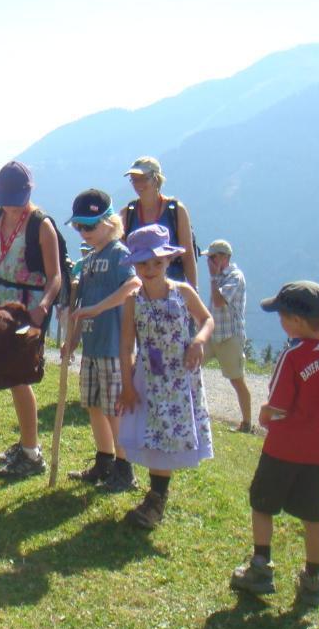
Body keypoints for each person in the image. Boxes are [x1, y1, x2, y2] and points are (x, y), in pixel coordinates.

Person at [230, 281, 319, 606]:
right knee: (314, 516)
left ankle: (260, 568)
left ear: (296, 321)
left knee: (262, 505)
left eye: (282, 316)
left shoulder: (294, 354)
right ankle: (313, 579)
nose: (281, 323)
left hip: (284, 450)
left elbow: (278, 406)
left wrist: (263, 415)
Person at [116, 224, 214, 529]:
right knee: (152, 433)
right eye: (143, 263)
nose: (150, 269)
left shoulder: (182, 293)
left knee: (169, 433)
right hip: (149, 377)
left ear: (167, 262)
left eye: (156, 262)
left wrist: (198, 341)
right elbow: (126, 344)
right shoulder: (134, 299)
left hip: (179, 379)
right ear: (134, 264)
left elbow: (206, 319)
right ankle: (155, 497)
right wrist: (128, 384)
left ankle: (157, 498)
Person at [0, 161, 62, 478]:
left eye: (16, 199)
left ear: (28, 193)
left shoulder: (41, 226)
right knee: (13, 377)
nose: (10, 206)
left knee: (19, 376)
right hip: (3, 305)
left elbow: (55, 277)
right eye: (6, 199)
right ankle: (27, 443)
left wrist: (43, 309)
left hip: (31, 307)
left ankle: (31, 453)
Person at [63, 190, 141, 492]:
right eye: (79, 227)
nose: (84, 233)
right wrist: (72, 341)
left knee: (113, 409)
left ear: (110, 222)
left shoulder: (120, 254)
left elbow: (133, 284)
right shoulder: (91, 259)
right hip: (93, 347)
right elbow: (81, 308)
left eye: (89, 226)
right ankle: (104, 459)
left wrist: (98, 308)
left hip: (113, 348)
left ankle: (125, 469)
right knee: (93, 405)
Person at [121, 156, 198, 290]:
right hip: (140, 294)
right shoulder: (127, 214)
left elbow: (187, 256)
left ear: (156, 179)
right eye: (134, 180)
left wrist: (193, 292)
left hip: (173, 291)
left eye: (143, 178)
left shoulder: (176, 211)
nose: (138, 184)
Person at [200, 239, 252, 432]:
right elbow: (212, 307)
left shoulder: (234, 277)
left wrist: (213, 278)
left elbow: (219, 301)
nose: (209, 262)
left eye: (212, 257)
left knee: (237, 379)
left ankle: (246, 423)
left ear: (224, 258)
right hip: (213, 336)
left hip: (230, 336)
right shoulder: (220, 277)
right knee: (188, 367)